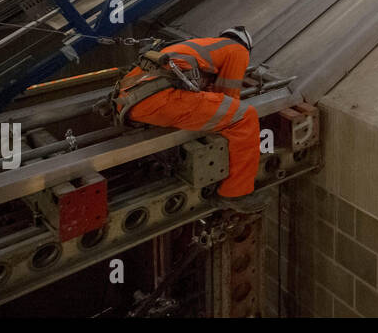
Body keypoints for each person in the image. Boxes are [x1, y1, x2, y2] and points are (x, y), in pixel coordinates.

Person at [113, 26, 267, 213]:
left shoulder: (203, 45)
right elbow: (228, 96)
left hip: (129, 102)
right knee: (244, 117)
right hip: (159, 100)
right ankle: (235, 193)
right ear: (246, 46)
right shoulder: (237, 50)